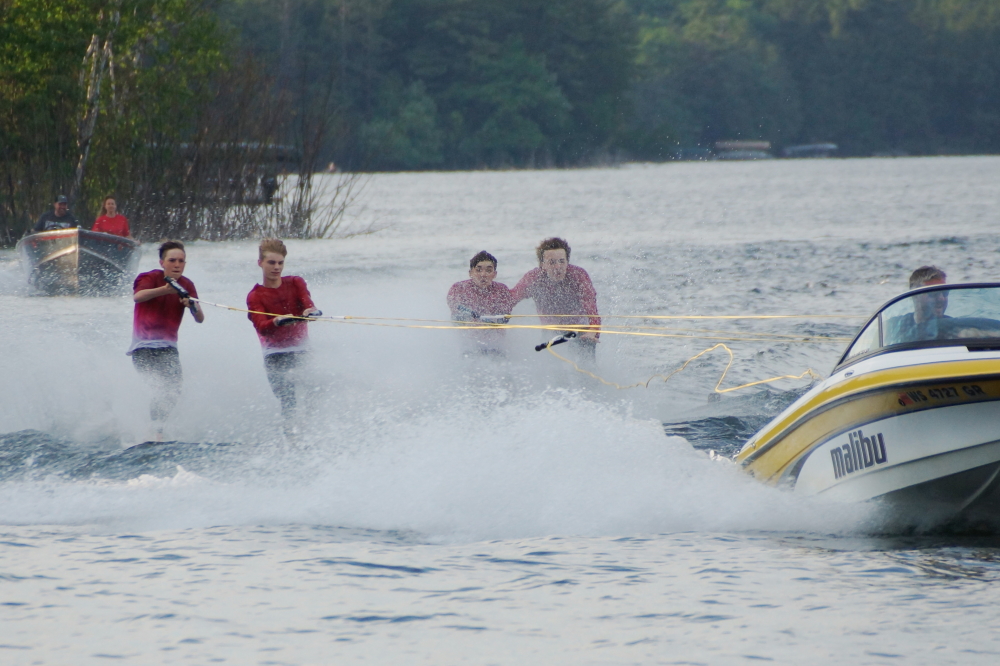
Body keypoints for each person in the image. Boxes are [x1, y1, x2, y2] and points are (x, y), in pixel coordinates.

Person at [128, 240, 205, 440]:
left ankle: (158, 429)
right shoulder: (149, 278)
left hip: (169, 348)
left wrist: (191, 305)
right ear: (162, 262)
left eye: (181, 261)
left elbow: (200, 318)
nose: (177, 264)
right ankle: (154, 430)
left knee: (174, 389)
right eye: (172, 260)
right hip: (143, 347)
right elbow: (138, 297)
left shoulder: (187, 285)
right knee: (160, 388)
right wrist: (165, 290)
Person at [246, 239, 320, 431]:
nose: (276, 267)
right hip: (275, 355)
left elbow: (307, 303)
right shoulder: (255, 296)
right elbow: (262, 326)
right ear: (260, 263)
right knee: (289, 401)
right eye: (271, 263)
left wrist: (310, 312)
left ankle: (312, 433)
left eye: (280, 263)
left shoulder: (295, 283)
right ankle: (291, 442)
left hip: (302, 351)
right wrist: (277, 321)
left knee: (314, 392)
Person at [511, 237, 601, 355]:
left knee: (585, 349)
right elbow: (510, 299)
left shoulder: (578, 276)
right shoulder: (534, 279)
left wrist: (593, 331)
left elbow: (592, 309)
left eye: (561, 261)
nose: (558, 267)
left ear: (567, 261)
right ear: (542, 264)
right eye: (552, 262)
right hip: (551, 333)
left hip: (580, 331)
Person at [446, 251, 515, 354]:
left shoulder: (502, 290)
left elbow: (505, 315)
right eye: (478, 270)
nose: (483, 275)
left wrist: (491, 320)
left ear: (494, 274)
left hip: (495, 346)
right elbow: (455, 311)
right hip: (468, 346)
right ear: (471, 273)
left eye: (488, 270)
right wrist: (470, 314)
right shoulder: (459, 288)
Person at [885, 266, 949, 345]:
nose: (941, 298)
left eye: (945, 292)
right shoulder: (892, 326)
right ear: (915, 296)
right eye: (934, 293)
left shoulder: (955, 327)